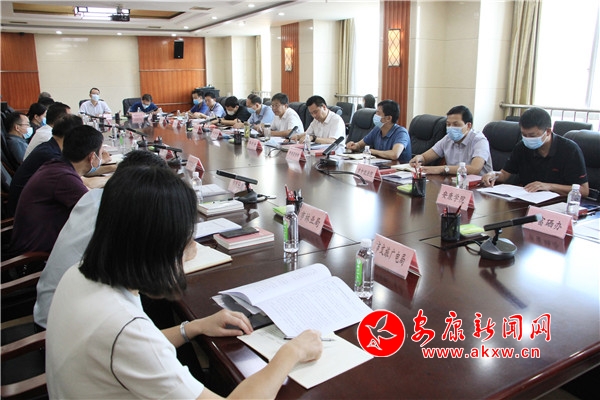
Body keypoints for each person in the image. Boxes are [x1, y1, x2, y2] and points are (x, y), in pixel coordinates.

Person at [46, 165, 323, 399]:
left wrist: (192, 327)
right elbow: (135, 344)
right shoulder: (125, 330)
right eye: (185, 239)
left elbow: (137, 346)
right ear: (158, 247)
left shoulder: (80, 273)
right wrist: (291, 352)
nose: (191, 248)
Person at [34, 151, 169, 329]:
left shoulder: (93, 197)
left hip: (52, 309)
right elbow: (152, 277)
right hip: (62, 328)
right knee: (161, 302)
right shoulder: (121, 217)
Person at [7, 125, 104, 257]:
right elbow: (98, 211)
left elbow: (88, 195)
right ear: (92, 157)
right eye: (101, 152)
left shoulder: (57, 166)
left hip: (35, 245)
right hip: (37, 257)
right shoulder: (63, 178)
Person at [482, 107, 589, 197]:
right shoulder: (522, 147)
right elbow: (505, 174)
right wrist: (493, 174)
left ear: (548, 131)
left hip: (558, 203)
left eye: (532, 135)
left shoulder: (569, 150)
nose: (527, 139)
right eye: (524, 135)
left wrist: (548, 186)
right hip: (528, 199)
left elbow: (584, 191)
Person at [8, 114, 82, 217]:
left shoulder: (49, 147)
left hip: (30, 206)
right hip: (28, 214)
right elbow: (77, 182)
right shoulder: (50, 155)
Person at [409, 105, 493, 176]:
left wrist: (442, 169)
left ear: (468, 126)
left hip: (479, 186)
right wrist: (419, 159)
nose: (451, 128)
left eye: (456, 124)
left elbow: (475, 169)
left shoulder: (479, 140)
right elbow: (425, 157)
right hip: (454, 183)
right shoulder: (448, 138)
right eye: (448, 124)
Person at [346, 99, 412, 162]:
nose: (375, 116)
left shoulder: (401, 133)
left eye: (378, 113)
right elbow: (360, 144)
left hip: (398, 168)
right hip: (381, 166)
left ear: (388, 118)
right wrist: (354, 145)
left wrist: (373, 151)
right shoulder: (377, 129)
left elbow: (394, 154)